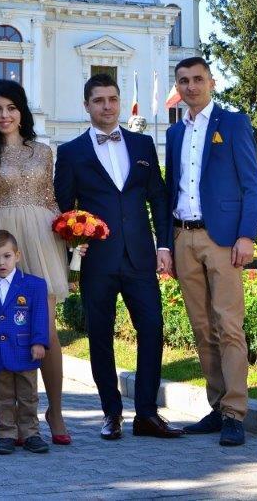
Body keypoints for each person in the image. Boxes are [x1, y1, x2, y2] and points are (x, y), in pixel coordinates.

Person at [54, 73, 182, 441]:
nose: (107, 106)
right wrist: (72, 244)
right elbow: (63, 207)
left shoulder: (143, 144)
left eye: (112, 99)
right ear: (87, 105)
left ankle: (147, 414)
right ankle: (111, 413)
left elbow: (158, 198)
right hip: (97, 260)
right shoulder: (71, 152)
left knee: (152, 328)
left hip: (141, 256)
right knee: (100, 335)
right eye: (99, 100)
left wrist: (163, 246)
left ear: (120, 102)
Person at [165, 57, 257, 447]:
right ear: (178, 86)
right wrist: (166, 242)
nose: (191, 86)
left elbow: (252, 184)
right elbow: (169, 189)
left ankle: (235, 413)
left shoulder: (233, 123)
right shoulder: (174, 133)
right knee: (202, 327)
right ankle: (217, 406)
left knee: (228, 326)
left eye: (197, 79)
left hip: (222, 240)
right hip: (183, 237)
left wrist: (247, 235)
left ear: (211, 82)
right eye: (184, 81)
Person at [0, 79, 72, 445]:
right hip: (1, 239)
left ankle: (55, 411)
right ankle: (11, 422)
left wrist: (71, 232)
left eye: (11, 107)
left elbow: (49, 198)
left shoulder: (43, 151)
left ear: (21, 111)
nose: (5, 115)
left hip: (42, 240)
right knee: (7, 327)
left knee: (46, 329)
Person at [0, 230, 50, 455]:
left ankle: (30, 433)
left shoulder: (34, 285)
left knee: (28, 396)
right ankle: (6, 435)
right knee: (1, 397)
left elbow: (40, 316)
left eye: (6, 256)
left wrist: (39, 342)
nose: (1, 263)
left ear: (17, 256)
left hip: (25, 352)